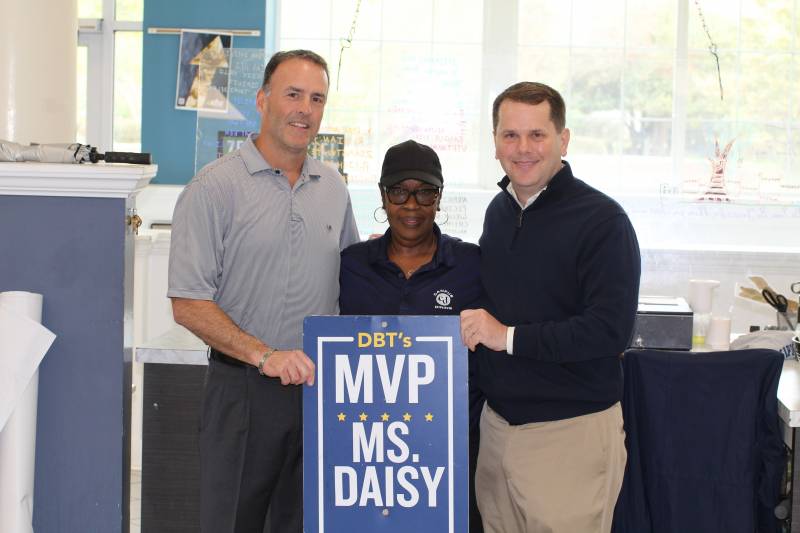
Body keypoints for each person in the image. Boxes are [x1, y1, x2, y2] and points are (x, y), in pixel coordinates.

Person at [167, 49, 359, 533]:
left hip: (319, 391)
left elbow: (352, 278)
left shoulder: (334, 186)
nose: (304, 109)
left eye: (316, 98)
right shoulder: (213, 188)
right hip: (243, 390)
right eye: (292, 94)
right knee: (234, 521)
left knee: (307, 522)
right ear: (262, 99)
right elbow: (188, 303)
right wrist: (264, 355)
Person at [460, 82, 641, 533]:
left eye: (537, 135)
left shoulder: (603, 221)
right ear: (495, 143)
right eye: (510, 135)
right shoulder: (498, 213)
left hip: (570, 437)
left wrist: (507, 337)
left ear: (563, 139)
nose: (523, 149)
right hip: (498, 432)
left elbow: (608, 331)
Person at [338, 139, 485, 533]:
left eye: (425, 192)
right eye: (399, 192)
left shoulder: (471, 265)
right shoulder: (351, 265)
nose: (412, 205)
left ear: (440, 197)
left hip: (451, 449)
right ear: (383, 196)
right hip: (368, 454)